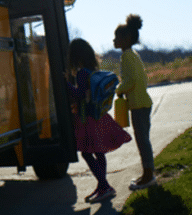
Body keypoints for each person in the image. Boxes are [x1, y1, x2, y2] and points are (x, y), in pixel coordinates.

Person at [66, 38, 132, 203]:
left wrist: (65, 84)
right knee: (99, 152)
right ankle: (102, 187)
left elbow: (80, 94)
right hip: (99, 116)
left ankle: (105, 185)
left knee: (87, 153)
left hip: (87, 118)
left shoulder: (81, 73)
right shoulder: (92, 71)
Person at [114, 14, 156, 190]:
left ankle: (148, 176)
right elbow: (140, 79)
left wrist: (119, 89)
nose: (114, 40)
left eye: (117, 37)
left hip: (138, 105)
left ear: (127, 39)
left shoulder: (126, 56)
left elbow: (131, 80)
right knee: (143, 139)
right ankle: (147, 173)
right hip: (142, 103)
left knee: (142, 141)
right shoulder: (134, 54)